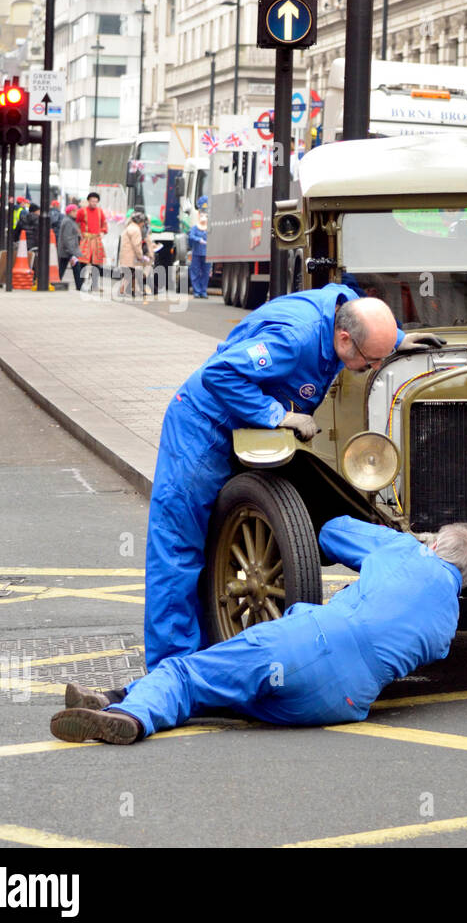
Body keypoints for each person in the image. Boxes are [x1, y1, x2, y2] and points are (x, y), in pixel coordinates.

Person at [136, 287, 443, 670]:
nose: (368, 368)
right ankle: (171, 668)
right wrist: (276, 414)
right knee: (179, 546)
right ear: (344, 339)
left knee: (216, 536)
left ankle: (208, 651)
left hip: (245, 428)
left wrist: (398, 340)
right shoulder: (294, 338)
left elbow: (364, 316)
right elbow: (220, 373)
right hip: (203, 428)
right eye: (368, 361)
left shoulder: (344, 308)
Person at [50, 518, 467, 743]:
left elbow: (332, 533)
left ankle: (132, 717)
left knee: (187, 675)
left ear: (435, 544)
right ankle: (111, 699)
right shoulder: (447, 625)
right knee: (220, 695)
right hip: (339, 703)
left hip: (306, 646)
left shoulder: (406, 551)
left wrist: (400, 541)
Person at [76, 191, 109, 288]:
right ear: (88, 201)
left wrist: (103, 232)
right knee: (82, 262)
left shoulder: (100, 211)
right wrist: (80, 235)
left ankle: (94, 284)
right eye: (92, 201)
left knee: (97, 263)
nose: (93, 203)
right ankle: (80, 283)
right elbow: (77, 224)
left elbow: (104, 224)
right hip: (85, 240)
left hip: (96, 240)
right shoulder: (82, 211)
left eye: (95, 201)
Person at [58, 203, 82, 286]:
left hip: (67, 250)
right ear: (69, 212)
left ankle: (79, 285)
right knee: (76, 268)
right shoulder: (68, 221)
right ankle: (79, 286)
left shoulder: (70, 220)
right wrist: (72, 253)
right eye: (74, 211)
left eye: (76, 211)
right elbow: (67, 238)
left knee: (62, 268)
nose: (76, 213)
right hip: (69, 251)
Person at [188, 210, 210, 298]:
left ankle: (203, 291)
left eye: (205, 215)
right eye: (202, 215)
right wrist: (198, 239)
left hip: (207, 254)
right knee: (195, 272)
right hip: (197, 253)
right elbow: (191, 236)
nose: (203, 217)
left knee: (206, 273)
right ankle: (196, 291)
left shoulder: (209, 228)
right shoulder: (195, 228)